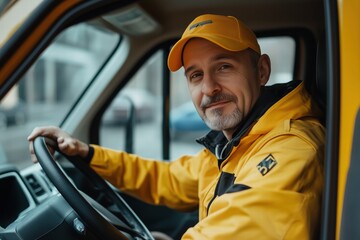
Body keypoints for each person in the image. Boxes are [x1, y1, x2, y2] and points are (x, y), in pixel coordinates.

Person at [28, 14, 325, 239]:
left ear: (261, 70)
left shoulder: (291, 149)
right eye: (196, 75)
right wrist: (87, 153)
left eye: (224, 67)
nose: (209, 89)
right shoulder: (231, 146)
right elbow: (166, 179)